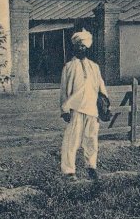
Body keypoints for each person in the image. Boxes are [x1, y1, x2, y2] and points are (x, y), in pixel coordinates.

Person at [59, 29, 108, 181]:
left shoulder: (94, 66)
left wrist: (106, 105)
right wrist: (64, 109)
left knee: (91, 139)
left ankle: (91, 167)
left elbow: (101, 87)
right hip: (75, 108)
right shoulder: (68, 67)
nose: (80, 48)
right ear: (74, 47)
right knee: (71, 140)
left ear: (87, 47)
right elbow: (63, 90)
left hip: (92, 108)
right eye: (78, 45)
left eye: (83, 46)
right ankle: (68, 171)